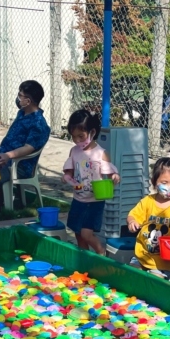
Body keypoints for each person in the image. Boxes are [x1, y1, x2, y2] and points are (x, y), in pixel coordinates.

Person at [127, 157, 170, 278]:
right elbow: (133, 215)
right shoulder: (148, 201)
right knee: (132, 276)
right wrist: (132, 222)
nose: (169, 186)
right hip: (142, 255)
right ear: (154, 182)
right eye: (164, 183)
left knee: (155, 282)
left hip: (165, 262)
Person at [63, 109, 119, 255]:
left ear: (92, 132)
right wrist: (68, 178)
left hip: (94, 201)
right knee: (78, 233)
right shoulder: (74, 151)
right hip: (78, 199)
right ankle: (85, 261)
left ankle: (101, 252)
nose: (77, 141)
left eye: (81, 136)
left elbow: (111, 174)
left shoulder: (101, 154)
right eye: (74, 137)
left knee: (86, 233)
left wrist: (114, 178)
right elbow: (69, 172)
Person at [0, 80, 51, 207]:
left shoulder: (38, 123)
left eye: (20, 96)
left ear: (28, 101)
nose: (18, 98)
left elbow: (28, 148)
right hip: (5, 158)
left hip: (20, 166)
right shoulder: (22, 113)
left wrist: (8, 156)